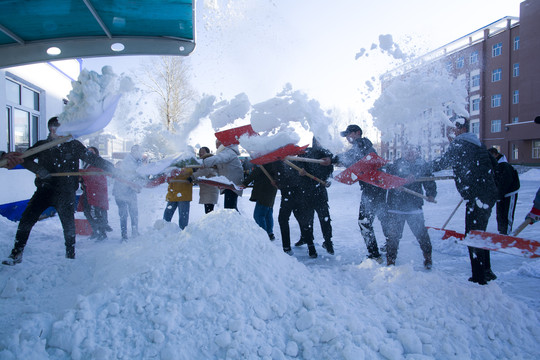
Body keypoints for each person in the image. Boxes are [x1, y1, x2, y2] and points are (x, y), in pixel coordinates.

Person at [2, 117, 115, 265]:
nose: (62, 132)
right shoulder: (42, 145)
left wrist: (113, 169)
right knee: (26, 220)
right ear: (51, 129)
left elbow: (95, 160)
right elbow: (25, 159)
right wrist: (39, 170)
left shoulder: (74, 145)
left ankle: (70, 254)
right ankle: (16, 253)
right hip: (44, 190)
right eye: (58, 129)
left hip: (66, 192)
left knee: (68, 225)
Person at [426, 116, 498, 285]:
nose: (449, 134)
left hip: (478, 196)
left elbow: (441, 163)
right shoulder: (477, 143)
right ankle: (486, 271)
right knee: (479, 234)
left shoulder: (460, 143)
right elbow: (494, 165)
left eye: (451, 130)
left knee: (472, 236)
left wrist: (419, 168)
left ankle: (479, 277)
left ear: (460, 129)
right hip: (485, 194)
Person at [332, 124, 388, 263]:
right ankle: (390, 245)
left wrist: (333, 159)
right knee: (383, 219)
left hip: (372, 189)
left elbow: (351, 157)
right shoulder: (363, 146)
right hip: (376, 188)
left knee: (364, 222)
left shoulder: (363, 145)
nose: (347, 138)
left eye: (349, 135)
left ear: (357, 133)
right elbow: (351, 161)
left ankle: (375, 254)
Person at [385, 145, 436, 269]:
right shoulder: (396, 164)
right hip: (395, 206)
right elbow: (387, 180)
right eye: (406, 150)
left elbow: (429, 180)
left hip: (414, 205)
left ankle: (428, 258)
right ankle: (390, 260)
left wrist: (431, 194)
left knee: (421, 233)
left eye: (412, 150)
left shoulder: (422, 165)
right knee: (393, 236)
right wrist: (396, 183)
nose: (409, 153)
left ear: (417, 152)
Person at [294, 137, 335, 255]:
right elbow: (296, 167)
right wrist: (300, 173)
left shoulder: (327, 155)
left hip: (320, 192)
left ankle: (328, 242)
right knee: (307, 220)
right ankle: (310, 246)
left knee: (325, 218)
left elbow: (329, 171)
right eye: (319, 140)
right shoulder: (306, 152)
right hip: (306, 192)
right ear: (315, 141)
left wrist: (324, 177)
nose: (321, 142)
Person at [275, 161, 318, 258]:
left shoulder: (291, 159)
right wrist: (277, 182)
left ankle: (287, 248)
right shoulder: (282, 160)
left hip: (293, 194)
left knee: (284, 219)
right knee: (302, 220)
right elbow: (282, 178)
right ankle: (311, 248)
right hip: (294, 193)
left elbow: (288, 178)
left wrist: (301, 173)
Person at [78, 146, 111, 240]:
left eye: (91, 151)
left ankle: (102, 232)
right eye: (88, 151)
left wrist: (84, 176)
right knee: (87, 212)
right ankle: (95, 230)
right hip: (87, 191)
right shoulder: (85, 163)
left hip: (97, 191)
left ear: (96, 153)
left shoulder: (99, 162)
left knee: (97, 212)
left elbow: (98, 175)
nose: (89, 153)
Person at [201, 139, 243, 211]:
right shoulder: (226, 152)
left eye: (217, 144)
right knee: (231, 207)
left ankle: (234, 221)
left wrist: (203, 162)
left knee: (230, 209)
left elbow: (219, 158)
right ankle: (234, 220)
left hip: (232, 183)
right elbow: (221, 168)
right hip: (230, 182)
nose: (216, 146)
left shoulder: (227, 151)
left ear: (221, 144)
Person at [113, 145, 144, 240]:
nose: (140, 154)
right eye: (139, 152)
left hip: (130, 191)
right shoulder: (128, 162)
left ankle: (134, 232)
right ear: (134, 152)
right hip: (121, 191)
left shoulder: (137, 161)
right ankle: (124, 235)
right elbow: (129, 176)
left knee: (133, 212)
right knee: (124, 214)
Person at [242, 162, 279, 240]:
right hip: (271, 190)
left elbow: (255, 173)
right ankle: (270, 233)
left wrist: (245, 183)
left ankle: (264, 235)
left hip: (264, 190)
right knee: (268, 213)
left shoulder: (264, 161)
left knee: (258, 215)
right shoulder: (275, 161)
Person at [487, 148, 520, 235]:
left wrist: (498, 195)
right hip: (500, 194)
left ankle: (507, 234)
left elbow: (505, 182)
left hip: (509, 193)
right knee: (500, 214)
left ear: (495, 154)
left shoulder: (504, 165)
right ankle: (502, 232)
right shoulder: (495, 165)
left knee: (507, 214)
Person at [192, 147, 219, 213]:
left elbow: (203, 172)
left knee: (209, 211)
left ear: (207, 152)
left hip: (210, 191)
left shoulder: (208, 162)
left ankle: (211, 223)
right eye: (200, 151)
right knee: (209, 210)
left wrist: (190, 177)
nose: (201, 153)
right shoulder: (204, 162)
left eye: (203, 151)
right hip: (208, 190)